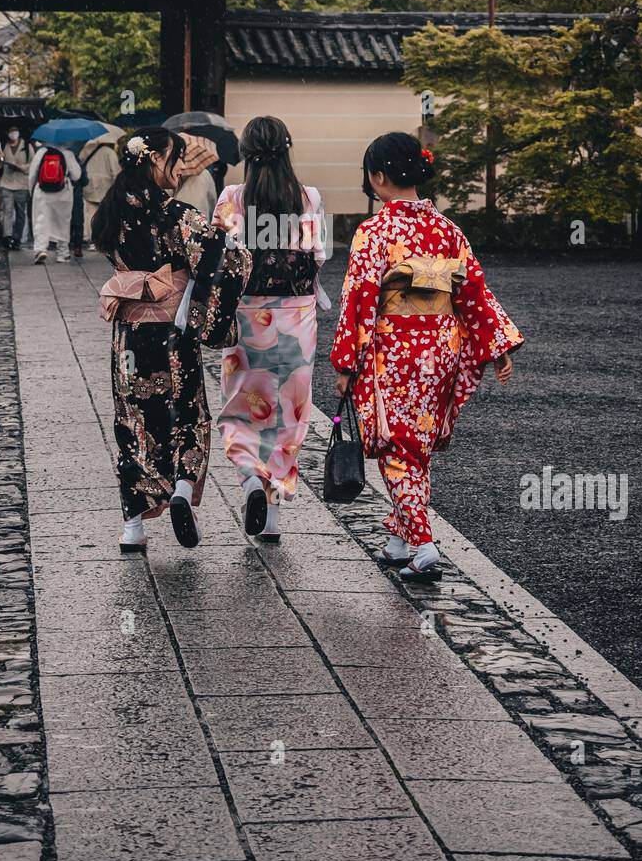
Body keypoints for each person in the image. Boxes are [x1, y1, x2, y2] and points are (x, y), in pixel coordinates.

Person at [330, 133, 523, 581]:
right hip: (441, 347)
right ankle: (399, 537)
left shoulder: (375, 231)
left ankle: (423, 544)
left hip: (393, 347)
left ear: (378, 177)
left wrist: (345, 362)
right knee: (415, 442)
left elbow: (359, 298)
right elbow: (473, 290)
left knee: (398, 444)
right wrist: (497, 345)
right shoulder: (447, 229)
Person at [92, 128, 251, 554]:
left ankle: (132, 527)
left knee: (132, 420)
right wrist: (223, 237)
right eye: (176, 159)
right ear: (154, 160)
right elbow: (225, 260)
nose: (181, 168)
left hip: (128, 332)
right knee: (185, 413)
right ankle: (181, 490)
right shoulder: (176, 214)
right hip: (171, 334)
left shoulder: (111, 213)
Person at [213, 116, 329, 543]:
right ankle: (273, 515)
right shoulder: (307, 197)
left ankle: (248, 480)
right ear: (288, 148)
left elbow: (220, 262)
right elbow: (316, 255)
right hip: (296, 317)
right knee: (287, 413)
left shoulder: (231, 198)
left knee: (243, 405)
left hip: (247, 315)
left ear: (245, 153)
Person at [29, 141, 81, 264]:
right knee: (63, 222)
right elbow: (76, 176)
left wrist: (32, 191)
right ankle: (62, 253)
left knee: (41, 221)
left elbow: (32, 174)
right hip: (63, 192)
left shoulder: (41, 152)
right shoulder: (68, 153)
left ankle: (40, 249)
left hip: (42, 192)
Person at [80, 133, 121, 246]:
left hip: (89, 185)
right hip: (106, 187)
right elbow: (116, 172)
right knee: (106, 214)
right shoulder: (110, 152)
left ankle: (91, 239)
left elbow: (81, 161)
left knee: (90, 213)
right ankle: (104, 238)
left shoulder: (87, 149)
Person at [0, 127, 33, 250]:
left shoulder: (27, 146)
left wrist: (21, 167)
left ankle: (17, 237)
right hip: (7, 182)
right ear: (7, 133)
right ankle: (7, 237)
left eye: (15, 131)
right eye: (10, 131)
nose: (13, 134)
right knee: (7, 211)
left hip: (21, 184)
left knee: (20, 212)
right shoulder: (3, 146)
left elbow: (33, 163)